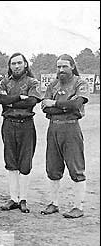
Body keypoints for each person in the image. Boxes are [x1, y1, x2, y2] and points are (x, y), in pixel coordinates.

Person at [40, 54, 89, 218]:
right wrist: (63, 106)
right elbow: (44, 108)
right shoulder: (53, 84)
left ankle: (78, 207)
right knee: (53, 167)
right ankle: (54, 203)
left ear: (72, 66)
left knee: (76, 167)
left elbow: (76, 104)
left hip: (71, 127)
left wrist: (55, 103)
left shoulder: (80, 83)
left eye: (64, 66)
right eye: (58, 67)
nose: (61, 70)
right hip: (53, 127)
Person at [0, 53, 42, 213]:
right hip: (8, 124)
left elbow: (31, 102)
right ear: (9, 66)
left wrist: (11, 101)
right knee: (11, 160)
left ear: (25, 65)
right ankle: (13, 198)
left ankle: (23, 199)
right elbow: (0, 99)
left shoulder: (32, 82)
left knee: (25, 161)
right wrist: (19, 98)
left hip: (26, 125)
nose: (16, 66)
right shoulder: (5, 82)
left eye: (19, 63)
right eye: (13, 63)